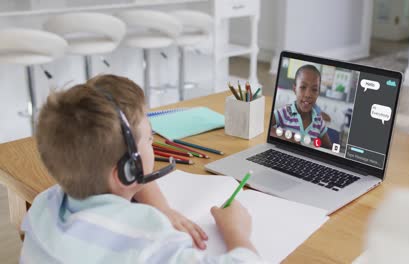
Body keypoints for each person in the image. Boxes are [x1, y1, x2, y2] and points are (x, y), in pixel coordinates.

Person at [20, 75, 261, 263]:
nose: (153, 139)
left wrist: (161, 206)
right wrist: (237, 233)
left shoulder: (45, 207)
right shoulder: (148, 238)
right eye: (149, 138)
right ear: (127, 169)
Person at [272, 65, 332, 149]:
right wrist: (284, 137)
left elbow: (328, 147)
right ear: (294, 89)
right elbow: (266, 128)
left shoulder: (319, 122)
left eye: (314, 90)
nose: (308, 95)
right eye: (303, 87)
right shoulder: (285, 112)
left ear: (318, 93)